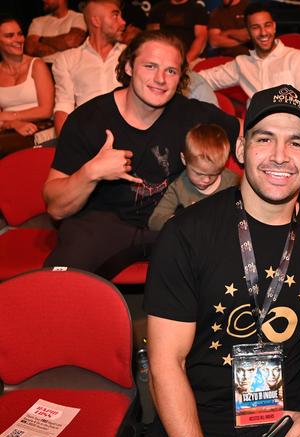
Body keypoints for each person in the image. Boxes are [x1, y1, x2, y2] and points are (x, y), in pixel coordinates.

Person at [132, 84, 300, 437]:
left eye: (295, 143)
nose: (280, 156)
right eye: (265, 139)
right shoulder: (185, 235)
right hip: (199, 415)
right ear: (242, 148)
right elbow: (165, 364)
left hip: (294, 419)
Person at [42, 30, 239, 279]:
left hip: (171, 220)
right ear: (128, 67)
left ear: (180, 79)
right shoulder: (88, 119)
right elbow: (55, 208)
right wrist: (91, 172)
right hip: (102, 224)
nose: (160, 79)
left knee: (236, 263)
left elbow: (248, 133)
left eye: (171, 71)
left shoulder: (192, 114)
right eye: (150, 66)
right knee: (56, 283)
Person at [198, 3, 300, 103]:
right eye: (255, 27)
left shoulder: (298, 58)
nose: (263, 33)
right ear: (248, 32)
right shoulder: (242, 64)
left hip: (291, 128)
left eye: (267, 25)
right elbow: (202, 79)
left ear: (274, 26)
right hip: (256, 130)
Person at [52, 0, 126, 135]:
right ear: (96, 21)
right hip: (87, 137)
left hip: (128, 133)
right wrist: (65, 148)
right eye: (115, 16)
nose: (123, 22)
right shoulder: (67, 59)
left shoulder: (130, 55)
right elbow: (64, 106)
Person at [148, 123, 240, 231]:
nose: (206, 180)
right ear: (184, 159)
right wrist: (177, 220)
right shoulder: (179, 187)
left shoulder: (234, 182)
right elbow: (154, 222)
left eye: (213, 174)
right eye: (199, 173)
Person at [0, 15, 54, 154]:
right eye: (9, 36)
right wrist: (13, 124)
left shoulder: (37, 64)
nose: (18, 40)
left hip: (41, 131)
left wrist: (8, 116)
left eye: (20, 34)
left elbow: (46, 110)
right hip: (9, 132)